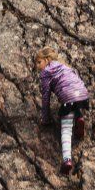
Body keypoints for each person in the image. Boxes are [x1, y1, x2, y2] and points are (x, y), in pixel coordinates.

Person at [36, 47, 90, 175]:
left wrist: (45, 118)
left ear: (47, 60)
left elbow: (45, 97)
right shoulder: (64, 66)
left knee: (65, 129)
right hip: (82, 94)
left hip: (68, 97)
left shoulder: (45, 73)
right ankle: (79, 119)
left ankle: (67, 160)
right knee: (75, 105)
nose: (37, 66)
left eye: (39, 62)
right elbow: (76, 77)